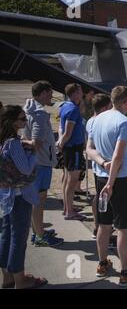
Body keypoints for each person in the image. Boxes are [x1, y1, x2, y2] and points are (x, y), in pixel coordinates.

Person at [88, 86, 127, 287]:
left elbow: (89, 149)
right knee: (123, 228)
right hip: (119, 181)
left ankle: (102, 263)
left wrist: (101, 164)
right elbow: (117, 156)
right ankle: (125, 272)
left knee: (104, 225)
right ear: (124, 102)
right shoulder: (124, 122)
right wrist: (111, 182)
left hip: (100, 178)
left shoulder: (96, 119)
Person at [0, 106, 48, 289]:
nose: (25, 122)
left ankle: (8, 278)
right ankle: (21, 280)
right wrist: (33, 152)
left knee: (6, 236)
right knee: (18, 239)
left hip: (6, 195)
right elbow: (26, 169)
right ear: (12, 122)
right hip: (20, 196)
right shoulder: (13, 143)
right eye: (22, 119)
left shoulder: (3, 140)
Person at [23, 81, 64, 247]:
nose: (51, 97)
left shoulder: (28, 108)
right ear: (41, 94)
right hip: (41, 163)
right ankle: (40, 236)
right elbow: (36, 142)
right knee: (39, 201)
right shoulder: (39, 114)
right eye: (49, 93)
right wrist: (19, 142)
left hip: (34, 162)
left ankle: (37, 231)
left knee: (36, 200)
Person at [56, 83, 87, 221]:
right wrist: (61, 144)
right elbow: (68, 132)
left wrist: (61, 142)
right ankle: (69, 211)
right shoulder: (73, 109)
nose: (82, 93)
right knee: (72, 180)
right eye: (80, 91)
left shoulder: (64, 106)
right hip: (73, 148)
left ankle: (67, 208)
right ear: (74, 93)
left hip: (70, 148)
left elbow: (61, 128)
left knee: (67, 178)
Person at [85, 94, 112, 240]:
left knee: (100, 198)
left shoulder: (90, 121)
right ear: (103, 108)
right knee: (104, 201)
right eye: (109, 107)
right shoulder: (100, 121)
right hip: (104, 167)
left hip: (97, 166)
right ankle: (102, 229)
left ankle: (98, 226)